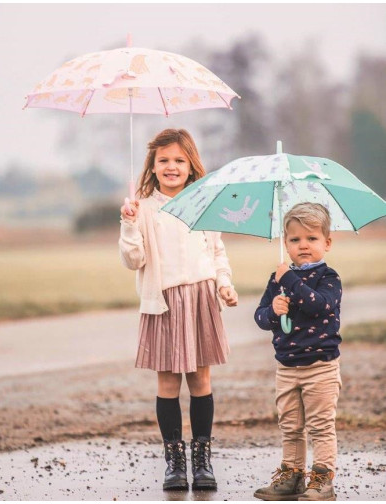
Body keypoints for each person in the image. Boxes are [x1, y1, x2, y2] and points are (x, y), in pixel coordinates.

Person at [119, 128, 238, 491]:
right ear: (152, 167)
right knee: (168, 382)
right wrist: (128, 222)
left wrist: (224, 283)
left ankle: (202, 458)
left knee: (201, 379)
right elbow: (132, 259)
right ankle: (175, 460)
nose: (172, 167)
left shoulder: (203, 203)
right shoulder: (142, 208)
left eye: (179, 161)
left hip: (201, 298)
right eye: (164, 161)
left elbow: (216, 252)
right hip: (164, 303)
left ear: (191, 166)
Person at [253, 202, 342, 501]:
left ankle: (321, 479)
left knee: (319, 425)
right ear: (285, 243)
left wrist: (288, 279)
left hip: (321, 366)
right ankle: (291, 476)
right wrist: (274, 313)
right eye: (294, 240)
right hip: (287, 366)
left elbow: (318, 305)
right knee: (290, 425)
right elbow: (260, 317)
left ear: (326, 243)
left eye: (312, 238)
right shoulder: (278, 279)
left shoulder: (328, 278)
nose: (303, 245)